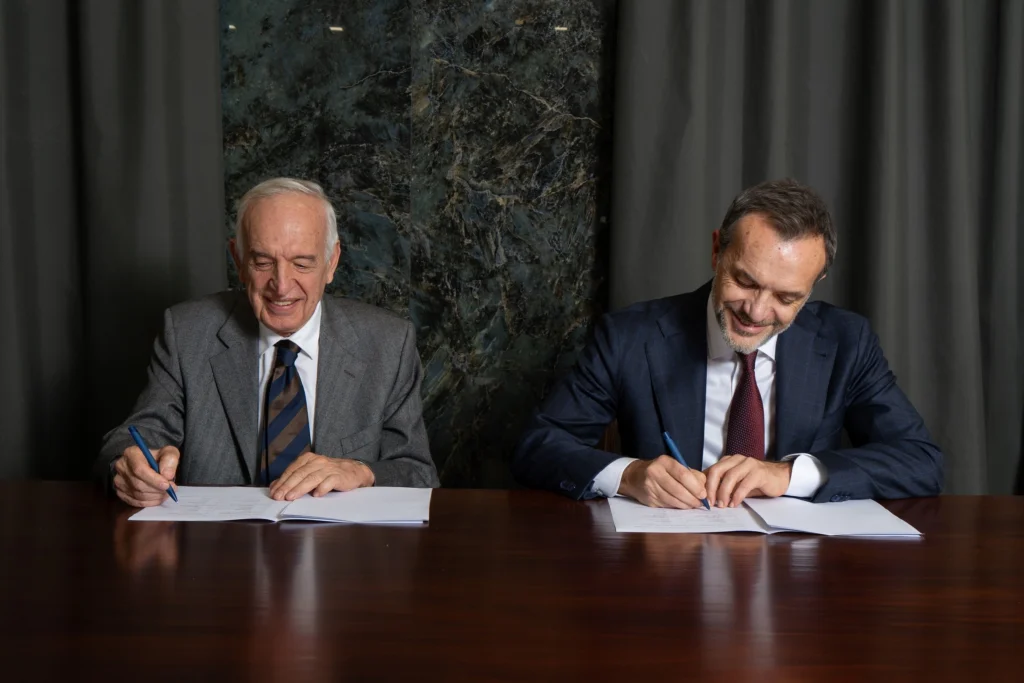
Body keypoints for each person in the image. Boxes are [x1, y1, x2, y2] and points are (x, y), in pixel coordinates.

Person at [513, 179, 942, 508]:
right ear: (718, 250)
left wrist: (788, 476)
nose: (756, 312)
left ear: (814, 284)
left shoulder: (847, 341)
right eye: (745, 281)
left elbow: (920, 462)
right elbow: (538, 446)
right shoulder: (630, 336)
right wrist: (628, 475)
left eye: (786, 297)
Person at [96, 178, 438, 506]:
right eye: (262, 262)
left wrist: (362, 471)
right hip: (218, 543)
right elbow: (132, 439)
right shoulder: (187, 333)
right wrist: (130, 468)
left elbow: (418, 474)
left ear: (331, 262)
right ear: (238, 260)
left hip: (339, 546)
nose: (282, 286)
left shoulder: (388, 344)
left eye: (302, 264)